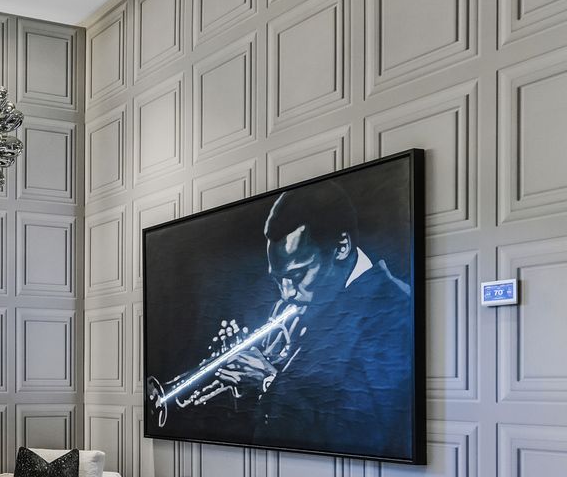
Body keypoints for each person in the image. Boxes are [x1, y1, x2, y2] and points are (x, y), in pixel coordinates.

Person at [174, 182, 414, 457]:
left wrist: (267, 380)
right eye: (278, 280)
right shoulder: (307, 307)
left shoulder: (393, 311)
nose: (287, 293)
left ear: (342, 247)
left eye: (297, 275)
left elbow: (360, 433)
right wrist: (245, 386)